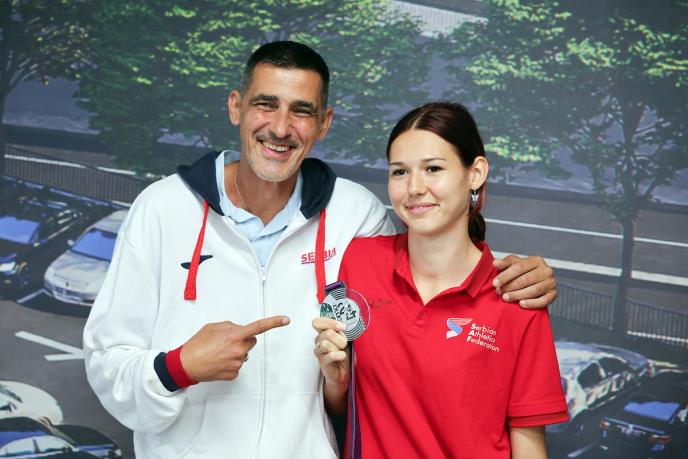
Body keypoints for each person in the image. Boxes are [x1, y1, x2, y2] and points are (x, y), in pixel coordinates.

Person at [83, 42, 558, 459]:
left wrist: (521, 274)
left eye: (302, 111)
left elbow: (437, 244)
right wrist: (180, 365)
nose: (280, 127)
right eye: (265, 104)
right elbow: (107, 365)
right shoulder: (162, 209)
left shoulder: (356, 216)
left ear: (324, 123)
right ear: (236, 107)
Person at [314, 102, 568, 459]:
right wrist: (336, 380)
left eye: (433, 168)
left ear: (475, 173)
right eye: (399, 172)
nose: (414, 187)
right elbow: (344, 409)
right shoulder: (358, 261)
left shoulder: (517, 296)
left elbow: (529, 446)